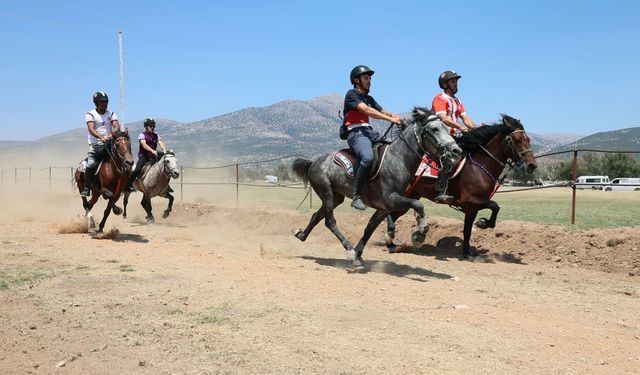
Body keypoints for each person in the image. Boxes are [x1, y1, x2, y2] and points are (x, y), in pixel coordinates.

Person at [343, 65, 403, 210]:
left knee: (392, 150)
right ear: (356, 80)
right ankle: (356, 196)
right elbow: (367, 110)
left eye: (370, 78)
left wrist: (395, 116)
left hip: (370, 133)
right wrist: (389, 120)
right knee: (368, 158)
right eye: (366, 78)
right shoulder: (352, 95)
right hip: (356, 134)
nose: (369, 81)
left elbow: (383, 111)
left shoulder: (369, 98)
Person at [431, 70, 477, 203]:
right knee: (449, 158)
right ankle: (440, 192)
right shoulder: (440, 98)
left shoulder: (458, 101)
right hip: (441, 137)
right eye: (453, 81)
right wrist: (460, 127)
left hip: (454, 137)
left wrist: (476, 128)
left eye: (456, 81)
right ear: (445, 85)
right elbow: (444, 118)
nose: (456, 84)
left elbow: (466, 119)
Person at [80, 91, 120, 197]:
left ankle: (128, 185)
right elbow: (91, 129)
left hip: (110, 143)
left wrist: (111, 135)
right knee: (91, 164)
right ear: (96, 103)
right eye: (102, 102)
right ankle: (87, 187)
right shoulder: (90, 114)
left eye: (106, 102)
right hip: (95, 145)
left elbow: (116, 126)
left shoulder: (111, 113)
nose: (104, 104)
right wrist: (101, 137)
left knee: (123, 159)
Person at [125, 117, 172, 193]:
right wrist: (152, 151)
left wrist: (164, 151)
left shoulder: (156, 136)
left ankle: (167, 186)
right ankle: (129, 184)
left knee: (166, 167)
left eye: (153, 126)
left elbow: (161, 143)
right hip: (144, 156)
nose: (152, 127)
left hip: (154, 156)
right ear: (146, 126)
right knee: (137, 169)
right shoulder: (142, 135)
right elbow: (144, 145)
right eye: (150, 126)